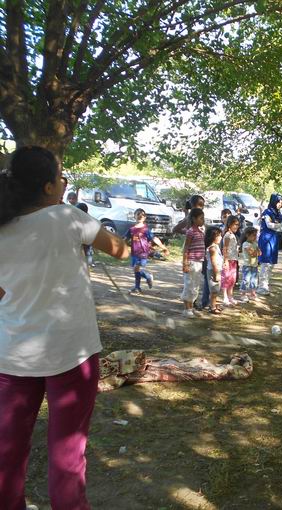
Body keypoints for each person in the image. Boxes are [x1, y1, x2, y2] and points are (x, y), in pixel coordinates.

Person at [0, 146, 129, 509]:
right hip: (72, 354)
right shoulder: (68, 217)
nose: (64, 183)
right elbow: (121, 250)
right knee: (67, 457)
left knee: (6, 453)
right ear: (47, 187)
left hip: (11, 357)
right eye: (61, 177)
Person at [125, 208, 169, 295]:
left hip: (143, 253)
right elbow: (125, 239)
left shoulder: (145, 229)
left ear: (144, 218)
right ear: (134, 216)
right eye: (138, 214)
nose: (140, 216)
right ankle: (145, 279)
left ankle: (139, 285)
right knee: (136, 270)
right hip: (134, 253)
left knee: (136, 268)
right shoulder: (131, 229)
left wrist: (163, 248)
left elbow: (154, 239)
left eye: (142, 215)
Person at [180, 208, 206, 317]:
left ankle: (191, 307)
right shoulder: (190, 231)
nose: (203, 220)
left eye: (203, 218)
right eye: (201, 218)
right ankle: (187, 309)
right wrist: (185, 263)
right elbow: (186, 248)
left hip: (199, 262)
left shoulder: (200, 231)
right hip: (191, 262)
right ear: (194, 219)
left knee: (195, 286)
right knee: (189, 285)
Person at [257, 193, 282, 295]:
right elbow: (269, 225)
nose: (280, 204)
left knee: (271, 263)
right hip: (266, 238)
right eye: (278, 202)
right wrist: (278, 225)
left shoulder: (279, 214)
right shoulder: (267, 212)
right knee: (265, 263)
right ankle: (262, 287)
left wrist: (278, 226)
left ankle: (266, 285)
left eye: (281, 202)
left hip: (274, 238)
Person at [221, 215, 240, 306]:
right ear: (230, 224)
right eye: (235, 224)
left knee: (232, 279)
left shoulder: (233, 235)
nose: (237, 226)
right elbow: (225, 248)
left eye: (238, 225)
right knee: (226, 278)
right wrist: (225, 260)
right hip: (228, 260)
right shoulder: (228, 235)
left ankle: (230, 296)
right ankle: (225, 297)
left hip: (234, 260)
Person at [205, 227, 224, 314]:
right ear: (213, 236)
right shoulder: (212, 248)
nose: (221, 237)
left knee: (216, 290)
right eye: (219, 235)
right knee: (214, 290)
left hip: (217, 270)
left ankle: (214, 304)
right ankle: (212, 307)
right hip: (213, 271)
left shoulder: (216, 246)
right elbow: (213, 263)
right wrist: (216, 274)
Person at [239, 227, 261, 302]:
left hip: (254, 265)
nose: (255, 237)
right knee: (246, 280)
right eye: (253, 235)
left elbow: (260, 253)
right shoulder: (246, 244)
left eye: (256, 235)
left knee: (254, 280)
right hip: (247, 266)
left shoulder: (255, 243)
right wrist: (256, 252)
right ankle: (243, 294)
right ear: (247, 235)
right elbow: (252, 254)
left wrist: (256, 252)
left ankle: (252, 294)